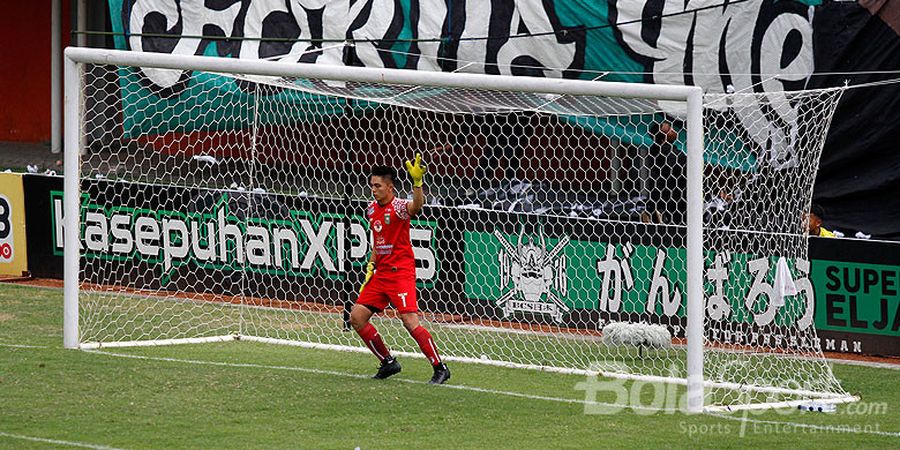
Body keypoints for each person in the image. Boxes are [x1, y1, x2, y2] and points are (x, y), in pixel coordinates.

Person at [350, 154, 451, 384]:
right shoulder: (371, 209)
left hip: (400, 273)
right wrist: (371, 263)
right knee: (357, 317)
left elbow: (416, 206)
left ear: (390, 187)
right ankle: (388, 362)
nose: (373, 190)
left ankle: (440, 367)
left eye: (378, 186)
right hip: (381, 274)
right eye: (371, 186)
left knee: (409, 322)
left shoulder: (398, 208)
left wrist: (417, 183)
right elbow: (378, 240)